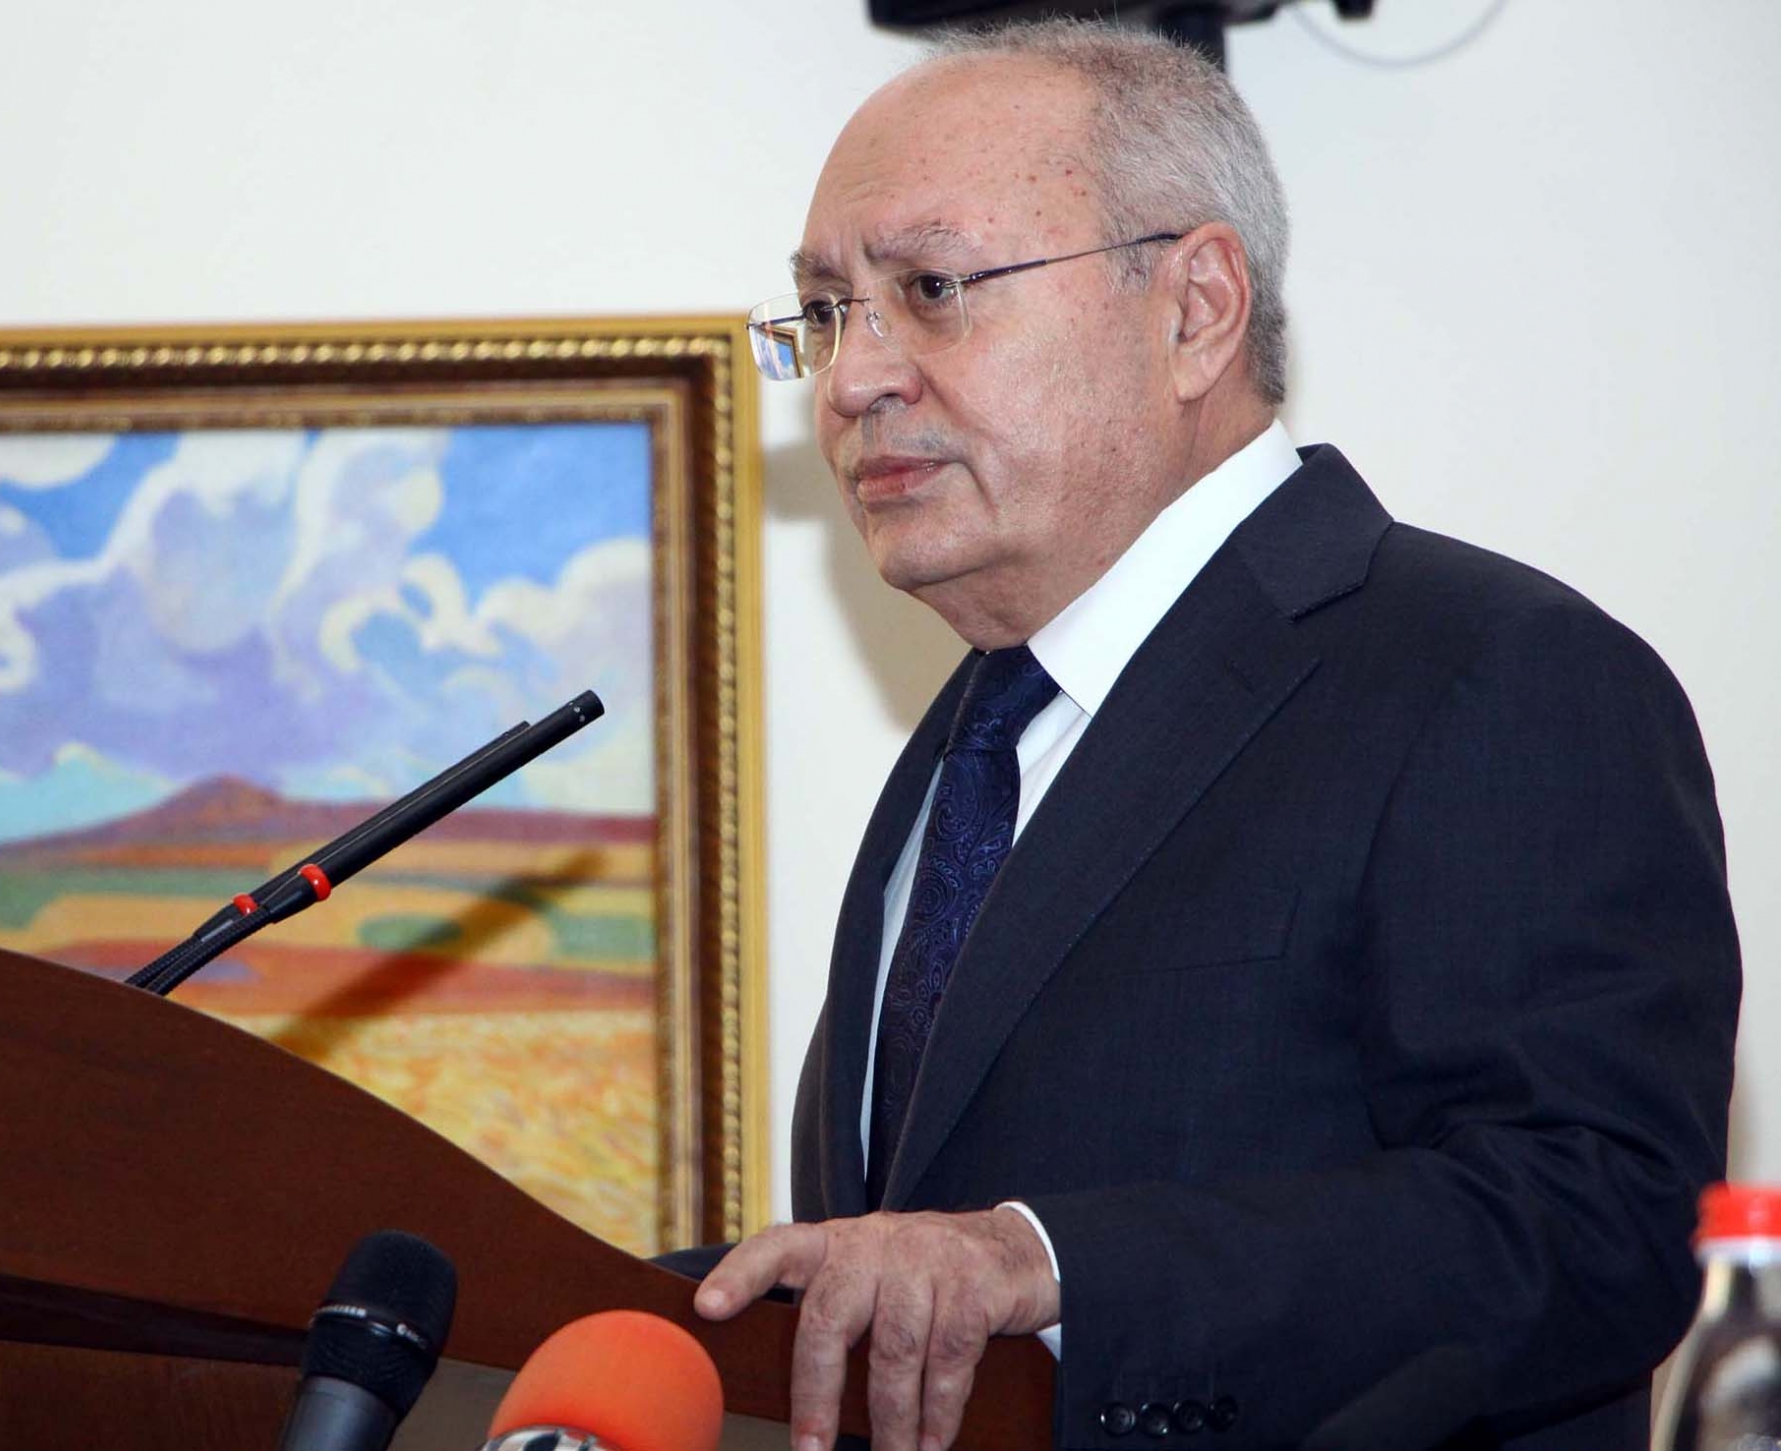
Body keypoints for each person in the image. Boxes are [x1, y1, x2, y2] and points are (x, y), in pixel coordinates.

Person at [691, 20, 1740, 1451]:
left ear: (1195, 309)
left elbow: (1599, 1223)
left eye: (930, 291)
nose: (851, 379)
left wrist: (1054, 1268)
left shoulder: (1496, 676)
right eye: (826, 312)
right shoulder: (977, 745)